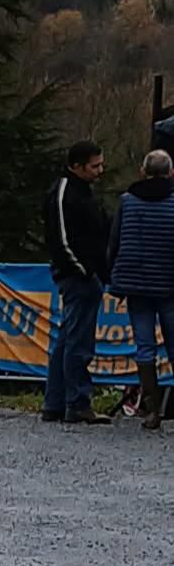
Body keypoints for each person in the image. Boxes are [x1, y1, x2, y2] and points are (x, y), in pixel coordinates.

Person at [43, 140, 111, 425]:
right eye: (94, 166)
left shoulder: (83, 193)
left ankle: (56, 402)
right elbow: (60, 240)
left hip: (87, 274)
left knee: (68, 338)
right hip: (77, 276)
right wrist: (83, 271)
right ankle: (77, 401)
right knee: (79, 342)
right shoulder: (63, 193)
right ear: (76, 166)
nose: (100, 171)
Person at [108, 149, 174, 430]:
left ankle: (151, 411)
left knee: (144, 347)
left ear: (142, 171)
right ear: (171, 172)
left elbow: (114, 242)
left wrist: (114, 276)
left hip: (136, 285)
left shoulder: (127, 201)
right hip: (171, 285)